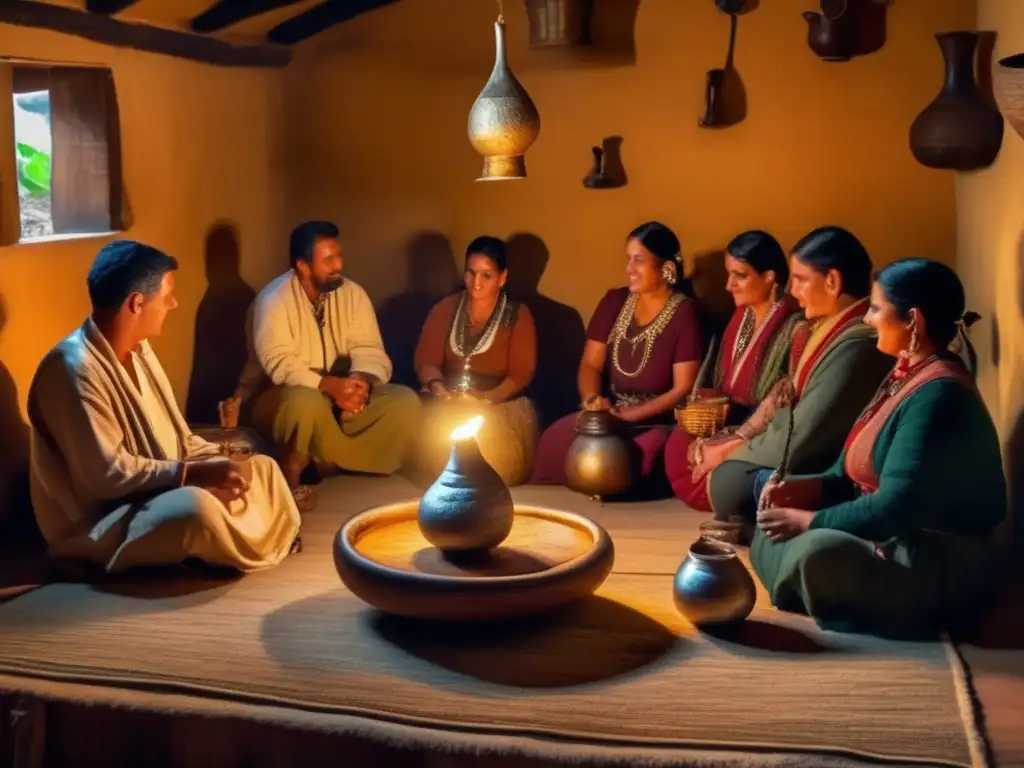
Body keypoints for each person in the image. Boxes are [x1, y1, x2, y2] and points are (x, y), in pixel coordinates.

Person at [750, 259, 1003, 638]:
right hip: (889, 533)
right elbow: (848, 469)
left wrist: (808, 521)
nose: (866, 319)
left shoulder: (940, 394)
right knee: (770, 514)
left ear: (912, 321)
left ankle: (827, 589)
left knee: (815, 551)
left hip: (932, 560)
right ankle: (810, 584)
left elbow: (896, 506)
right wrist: (804, 491)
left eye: (875, 308)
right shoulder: (907, 370)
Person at [27, 240, 301, 575]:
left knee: (262, 470)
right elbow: (106, 476)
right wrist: (191, 474)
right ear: (136, 303)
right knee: (194, 508)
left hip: (159, 487)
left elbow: (177, 440)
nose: (173, 303)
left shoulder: (139, 350)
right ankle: (192, 550)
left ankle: (212, 548)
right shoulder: (72, 370)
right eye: (166, 295)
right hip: (103, 519)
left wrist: (218, 458)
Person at [705, 226, 892, 524]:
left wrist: (734, 451)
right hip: (796, 447)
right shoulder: (826, 329)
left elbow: (802, 439)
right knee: (723, 472)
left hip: (827, 468)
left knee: (728, 479)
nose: (793, 291)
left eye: (802, 280)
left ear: (832, 281)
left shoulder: (858, 344)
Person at [242, 221, 420, 503]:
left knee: (405, 401)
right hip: (285, 395)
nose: (338, 265)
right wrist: (327, 385)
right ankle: (302, 462)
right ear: (303, 265)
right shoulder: (274, 299)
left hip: (338, 399)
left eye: (339, 256)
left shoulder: (352, 294)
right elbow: (279, 363)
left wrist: (360, 383)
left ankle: (321, 460)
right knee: (305, 403)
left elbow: (370, 348)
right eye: (328, 259)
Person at [530, 222, 704, 496]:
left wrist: (629, 415)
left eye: (639, 260)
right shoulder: (614, 300)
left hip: (654, 420)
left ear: (666, 267)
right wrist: (592, 402)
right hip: (607, 413)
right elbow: (590, 364)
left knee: (640, 457)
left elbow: (682, 388)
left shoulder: (685, 313)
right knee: (555, 439)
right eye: (628, 259)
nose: (629, 269)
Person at [664, 230, 802, 509]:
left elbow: (789, 399)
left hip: (762, 429)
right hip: (726, 419)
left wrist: (737, 437)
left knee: (729, 466)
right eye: (729, 275)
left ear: (769, 276)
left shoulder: (795, 326)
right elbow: (717, 379)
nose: (729, 286)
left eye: (740, 275)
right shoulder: (740, 318)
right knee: (677, 444)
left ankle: (733, 485)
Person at [411, 236, 539, 486]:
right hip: (448, 399)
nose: (476, 283)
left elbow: (521, 374)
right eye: (471, 273)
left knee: (489, 452)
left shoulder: (517, 315)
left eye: (486, 275)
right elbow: (426, 359)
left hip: (497, 405)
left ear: (502, 278)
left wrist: (483, 400)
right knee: (432, 434)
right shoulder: (447, 307)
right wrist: (439, 389)